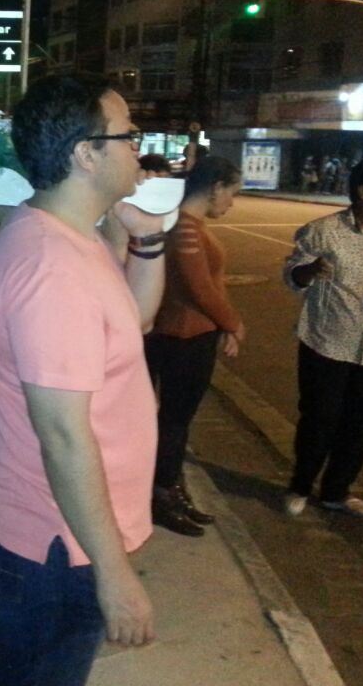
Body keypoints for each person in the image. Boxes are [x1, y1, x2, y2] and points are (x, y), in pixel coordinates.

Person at [0, 73, 164, 686]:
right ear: (86, 154)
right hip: (59, 538)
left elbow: (133, 321)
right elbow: (61, 435)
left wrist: (147, 240)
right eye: (128, 135)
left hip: (64, 530)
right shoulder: (52, 267)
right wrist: (113, 573)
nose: (138, 147)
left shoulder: (71, 235)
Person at [143, 157, 244, 537]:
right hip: (184, 337)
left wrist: (225, 324)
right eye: (232, 192)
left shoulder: (185, 223)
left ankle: (170, 488)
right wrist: (233, 324)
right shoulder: (185, 226)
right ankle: (162, 496)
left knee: (175, 421)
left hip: (188, 334)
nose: (231, 202)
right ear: (216, 187)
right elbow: (198, 287)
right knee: (174, 421)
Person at [282, 156, 363, 518]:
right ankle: (300, 486)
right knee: (319, 420)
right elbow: (292, 275)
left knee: (360, 424)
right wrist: (308, 270)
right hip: (326, 341)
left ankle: (336, 491)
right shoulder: (322, 231)